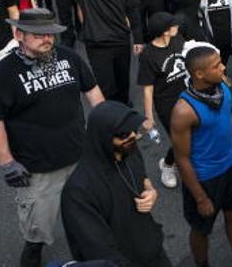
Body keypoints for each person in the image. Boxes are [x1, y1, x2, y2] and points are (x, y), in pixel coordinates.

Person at [0, 8, 104, 267]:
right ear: (18, 34)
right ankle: (33, 250)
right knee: (39, 223)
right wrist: (6, 162)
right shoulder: (3, 73)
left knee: (86, 212)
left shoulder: (70, 57)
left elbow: (93, 92)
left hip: (79, 155)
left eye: (50, 34)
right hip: (36, 168)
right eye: (38, 34)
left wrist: (107, 129)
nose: (46, 39)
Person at [60, 101, 170, 266]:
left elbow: (143, 179)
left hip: (153, 251)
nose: (132, 136)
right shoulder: (78, 192)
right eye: (123, 134)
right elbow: (98, 251)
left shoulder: (129, 151)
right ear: (103, 138)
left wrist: (152, 192)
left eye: (133, 130)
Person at [170, 46, 232, 267]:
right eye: (216, 65)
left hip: (231, 167)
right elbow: (181, 158)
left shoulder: (223, 86)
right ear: (199, 74)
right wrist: (201, 198)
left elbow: (228, 117)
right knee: (201, 229)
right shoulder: (183, 111)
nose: (223, 67)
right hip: (205, 180)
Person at [137, 12, 188, 189]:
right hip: (168, 104)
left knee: (193, 134)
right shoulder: (148, 55)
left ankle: (182, 161)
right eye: (173, 25)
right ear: (165, 31)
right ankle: (167, 165)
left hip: (188, 96)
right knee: (180, 139)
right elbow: (148, 88)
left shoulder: (177, 39)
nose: (177, 27)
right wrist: (149, 117)